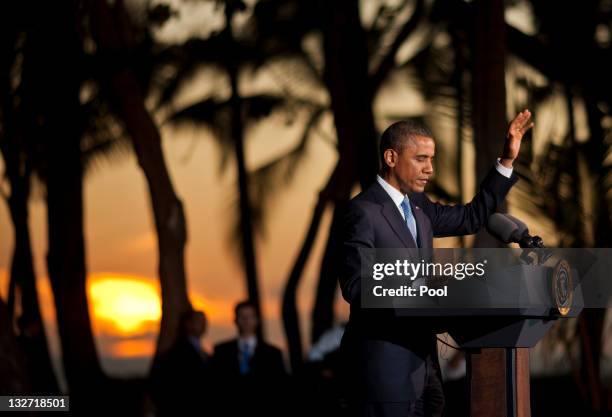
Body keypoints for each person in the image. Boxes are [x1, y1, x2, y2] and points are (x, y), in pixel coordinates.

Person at [340, 111, 534, 417]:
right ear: (391, 157)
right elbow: (357, 285)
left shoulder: (420, 208)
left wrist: (506, 161)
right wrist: (427, 290)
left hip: (425, 371)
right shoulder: (363, 211)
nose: (430, 169)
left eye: (432, 159)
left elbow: (472, 217)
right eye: (421, 159)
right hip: (385, 371)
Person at [211, 300, 286, 416]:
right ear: (235, 320)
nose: (246, 321)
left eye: (250, 316)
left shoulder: (273, 354)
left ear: (257, 320)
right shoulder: (221, 351)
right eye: (242, 316)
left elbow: (279, 388)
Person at [149, 309, 210, 416]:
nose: (203, 325)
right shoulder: (175, 353)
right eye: (199, 321)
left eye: (205, 321)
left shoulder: (204, 353)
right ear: (188, 324)